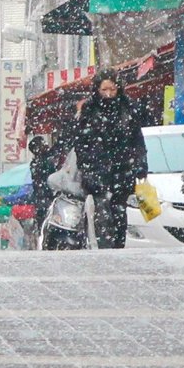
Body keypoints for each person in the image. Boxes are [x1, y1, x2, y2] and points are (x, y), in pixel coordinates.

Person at [72, 70, 148, 249]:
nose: (108, 94)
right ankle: (105, 245)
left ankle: (118, 245)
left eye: (112, 89)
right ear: (97, 89)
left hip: (122, 169)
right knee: (102, 210)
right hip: (97, 171)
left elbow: (137, 141)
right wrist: (87, 168)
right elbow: (81, 143)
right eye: (104, 89)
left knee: (119, 211)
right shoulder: (89, 110)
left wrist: (140, 166)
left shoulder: (128, 108)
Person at [28, 135, 57, 233]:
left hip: (46, 197)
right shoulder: (41, 162)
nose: (45, 145)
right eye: (42, 143)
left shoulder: (46, 159)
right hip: (46, 197)